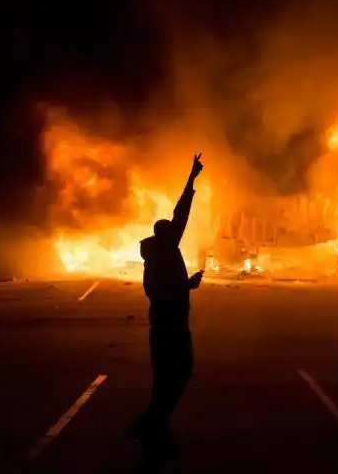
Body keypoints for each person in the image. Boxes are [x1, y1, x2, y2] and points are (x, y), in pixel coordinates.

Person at [127, 153, 206, 452]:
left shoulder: (163, 254)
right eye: (172, 230)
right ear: (165, 236)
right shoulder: (159, 260)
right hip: (167, 328)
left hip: (171, 324)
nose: (178, 230)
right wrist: (185, 286)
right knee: (176, 373)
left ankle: (155, 427)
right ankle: (151, 424)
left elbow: (180, 213)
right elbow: (160, 295)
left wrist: (191, 178)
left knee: (171, 377)